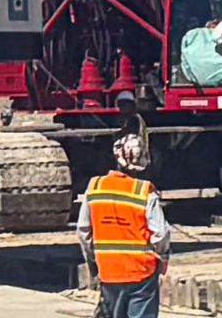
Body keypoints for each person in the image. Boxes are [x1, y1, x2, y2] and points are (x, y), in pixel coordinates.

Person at [76, 129, 171, 318]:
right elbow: (160, 234)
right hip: (141, 272)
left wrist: (93, 262)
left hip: (109, 271)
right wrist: (163, 258)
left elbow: (83, 231)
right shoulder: (144, 191)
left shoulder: (95, 188)